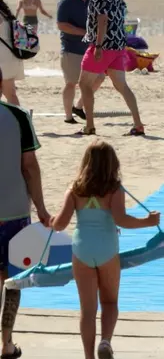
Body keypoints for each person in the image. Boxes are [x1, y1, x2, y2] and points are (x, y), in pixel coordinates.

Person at [50, 141, 160, 359]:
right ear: (112, 164)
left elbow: (60, 225)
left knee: (87, 310)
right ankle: (106, 341)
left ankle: (89, 357)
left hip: (82, 249)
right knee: (109, 302)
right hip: (107, 248)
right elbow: (121, 219)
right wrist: (147, 222)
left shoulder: (74, 189)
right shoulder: (114, 189)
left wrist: (52, 221)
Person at [0, 82, 50, 359]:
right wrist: (41, 208)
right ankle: (6, 343)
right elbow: (29, 165)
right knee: (12, 280)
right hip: (14, 212)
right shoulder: (18, 116)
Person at [75, 0, 145, 136]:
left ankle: (89, 126)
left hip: (103, 45)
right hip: (118, 45)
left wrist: (98, 46)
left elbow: (102, 19)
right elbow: (121, 13)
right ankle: (138, 124)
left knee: (84, 84)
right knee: (122, 86)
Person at [58, 0, 106, 124]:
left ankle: (78, 107)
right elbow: (62, 25)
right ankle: (68, 116)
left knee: (99, 77)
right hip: (71, 49)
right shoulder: (66, 1)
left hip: (90, 49)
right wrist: (84, 32)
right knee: (71, 82)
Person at [0, 0, 25, 106]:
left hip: (2, 59)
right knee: (11, 95)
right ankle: (16, 120)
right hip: (11, 57)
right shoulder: (6, 14)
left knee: (10, 94)